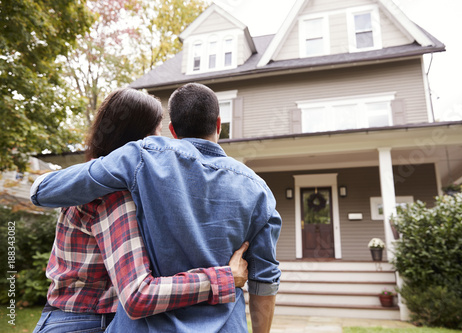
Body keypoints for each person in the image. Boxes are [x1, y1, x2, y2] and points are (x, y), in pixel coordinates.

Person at [31, 83, 282, 333]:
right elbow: (265, 281)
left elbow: (42, 191)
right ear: (218, 125)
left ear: (172, 130)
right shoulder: (259, 190)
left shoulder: (141, 160)